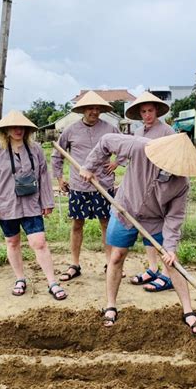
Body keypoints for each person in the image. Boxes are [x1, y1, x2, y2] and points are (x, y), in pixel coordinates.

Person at [80, 132, 196, 336]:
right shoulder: (140, 147)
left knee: (171, 261)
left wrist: (171, 248)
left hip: (155, 220)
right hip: (125, 210)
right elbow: (105, 141)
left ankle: (188, 311)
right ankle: (111, 306)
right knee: (116, 256)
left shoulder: (181, 184)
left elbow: (174, 218)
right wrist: (89, 167)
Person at [0, 110, 67, 301]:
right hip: (6, 205)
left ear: (27, 129)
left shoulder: (35, 149)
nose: (18, 130)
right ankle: (20, 279)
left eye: (21, 127)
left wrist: (47, 201)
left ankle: (52, 282)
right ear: (6, 130)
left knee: (39, 242)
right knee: (12, 242)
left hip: (31, 204)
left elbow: (44, 177)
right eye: (14, 127)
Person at [52, 91, 124, 281]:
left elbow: (126, 148)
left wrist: (117, 162)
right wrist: (59, 179)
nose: (94, 111)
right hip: (78, 186)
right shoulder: (70, 130)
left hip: (103, 184)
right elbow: (57, 155)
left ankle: (110, 263)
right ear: (83, 110)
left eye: (97, 108)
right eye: (90, 108)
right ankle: (74, 264)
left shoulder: (110, 129)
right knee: (77, 224)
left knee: (106, 224)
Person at [126, 91, 175, 292]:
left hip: (161, 186)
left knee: (162, 230)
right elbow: (132, 159)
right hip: (141, 187)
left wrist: (164, 180)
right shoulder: (137, 134)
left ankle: (166, 273)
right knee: (145, 227)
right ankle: (153, 267)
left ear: (157, 111)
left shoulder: (167, 132)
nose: (147, 115)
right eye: (144, 111)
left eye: (150, 110)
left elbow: (174, 160)